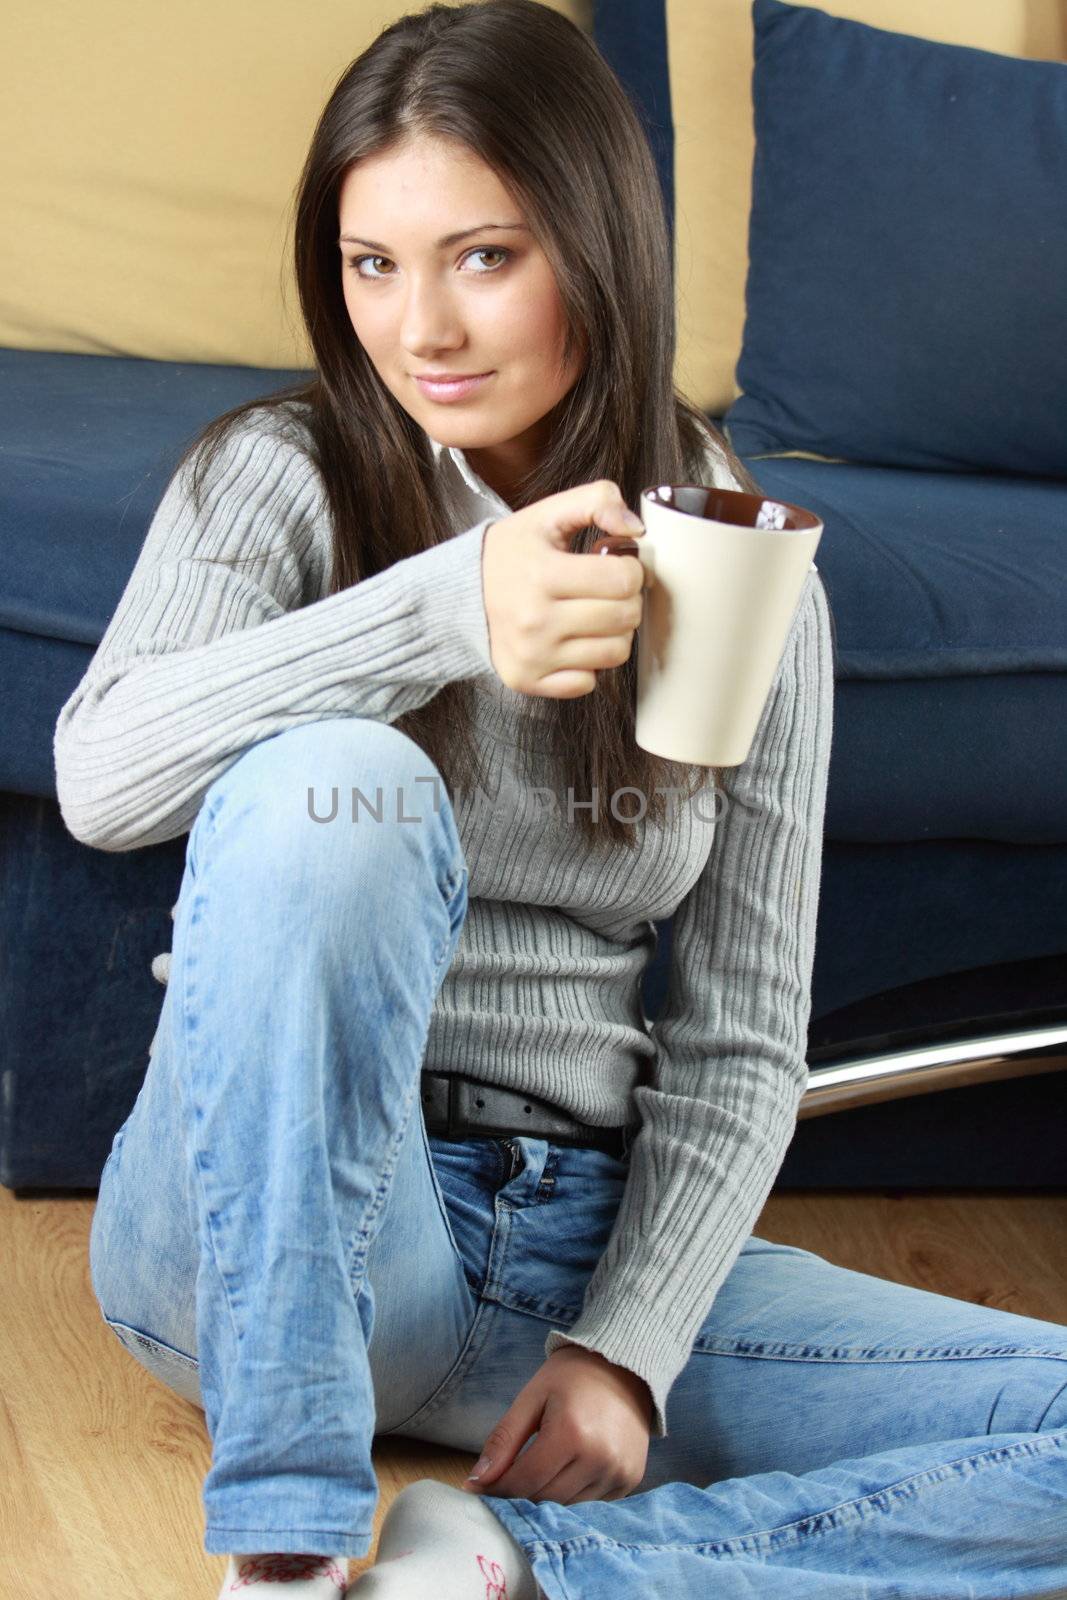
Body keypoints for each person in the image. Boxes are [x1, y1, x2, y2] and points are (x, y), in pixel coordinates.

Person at [60, 3, 1067, 1597]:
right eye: (370, 264)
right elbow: (102, 776)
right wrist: (444, 610)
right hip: (272, 1232)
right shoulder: (281, 472)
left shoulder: (746, 571)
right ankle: (291, 1534)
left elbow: (743, 1034)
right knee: (346, 784)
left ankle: (511, 1574)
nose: (421, 331)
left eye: (481, 257)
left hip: (562, 1242)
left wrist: (628, 1348)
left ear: (596, 250)